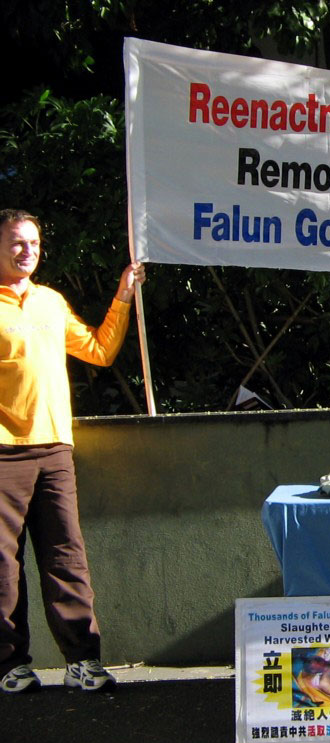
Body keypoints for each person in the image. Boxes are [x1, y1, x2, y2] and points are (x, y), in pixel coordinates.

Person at [0, 209, 145, 694]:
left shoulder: (50, 301)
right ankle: (9, 665)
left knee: (66, 556)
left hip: (55, 450)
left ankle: (83, 661)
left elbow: (100, 351)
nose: (28, 251)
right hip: (3, 453)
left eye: (34, 243)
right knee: (3, 566)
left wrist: (123, 295)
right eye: (17, 242)